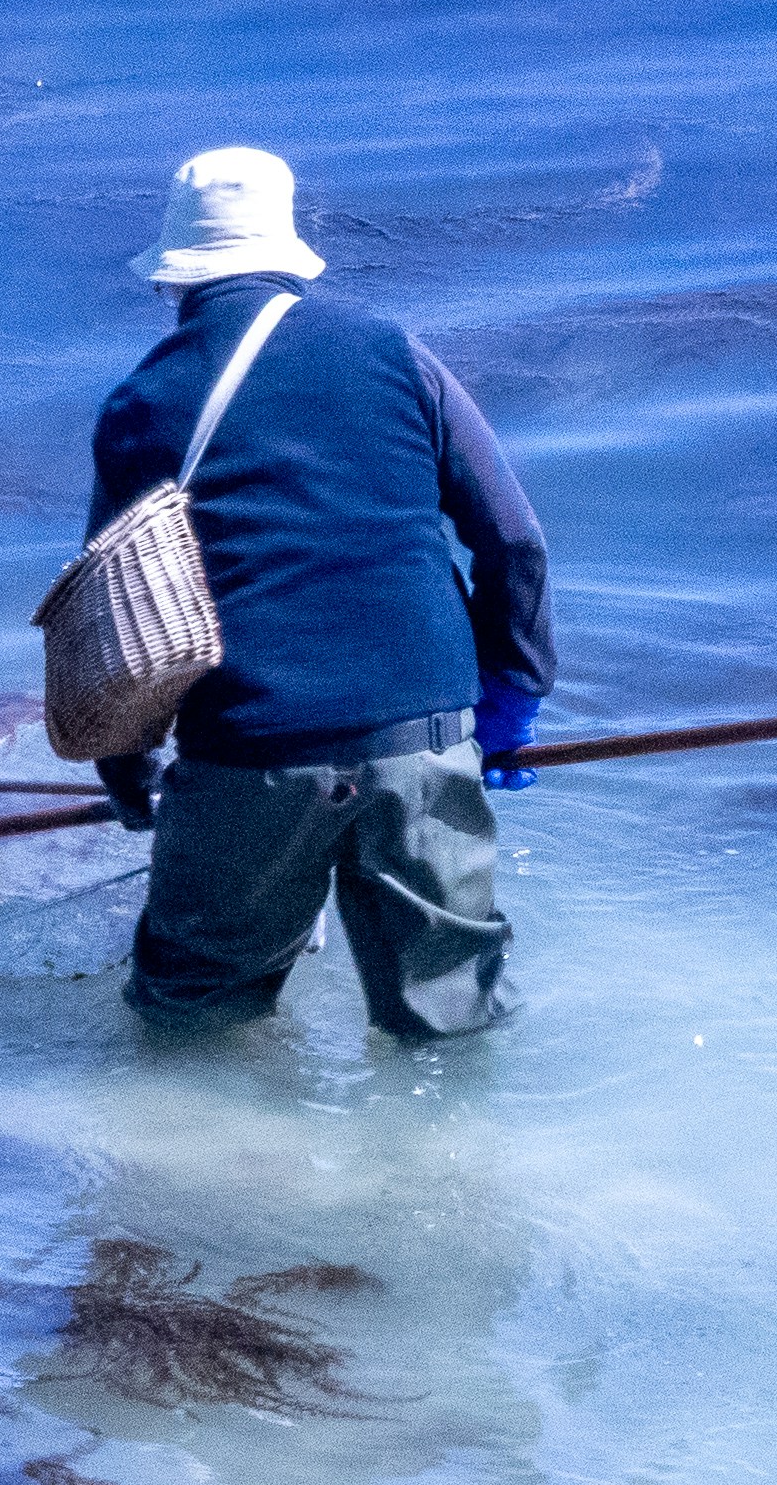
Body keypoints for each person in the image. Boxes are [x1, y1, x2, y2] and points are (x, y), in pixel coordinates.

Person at [81, 145, 555, 1039]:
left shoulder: (138, 405)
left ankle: (206, 1176)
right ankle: (456, 1180)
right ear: (289, 251)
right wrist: (511, 699)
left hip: (247, 756)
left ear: (174, 280)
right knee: (451, 1023)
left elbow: (117, 621)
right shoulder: (395, 354)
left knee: (194, 1021)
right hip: (421, 741)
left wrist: (128, 771)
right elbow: (515, 543)